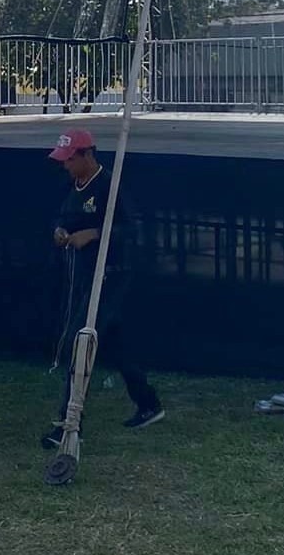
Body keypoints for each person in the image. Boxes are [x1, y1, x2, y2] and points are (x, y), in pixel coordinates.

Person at [42, 127, 163, 451]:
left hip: (112, 274)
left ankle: (70, 423)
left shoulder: (109, 184)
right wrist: (61, 230)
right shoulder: (74, 184)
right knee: (113, 345)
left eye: (70, 160)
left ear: (86, 155)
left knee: (77, 343)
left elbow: (132, 228)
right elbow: (65, 215)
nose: (65, 166)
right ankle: (149, 403)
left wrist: (93, 234)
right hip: (86, 274)